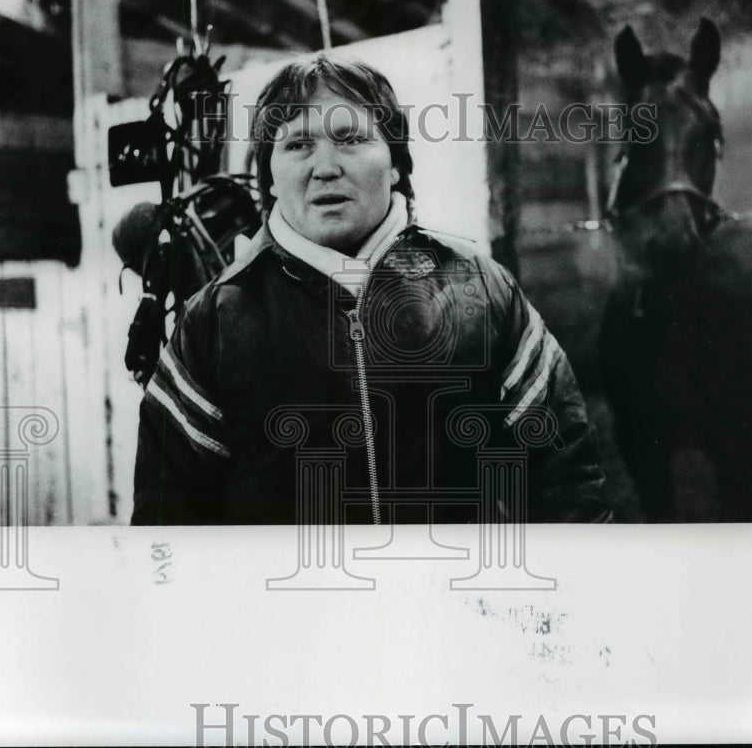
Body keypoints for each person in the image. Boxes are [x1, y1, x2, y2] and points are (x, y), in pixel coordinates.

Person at [131, 53, 613, 525]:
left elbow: (568, 482)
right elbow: (166, 527)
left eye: (350, 139)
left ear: (397, 163)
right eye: (298, 145)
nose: (324, 167)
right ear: (271, 177)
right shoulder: (210, 325)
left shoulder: (482, 291)